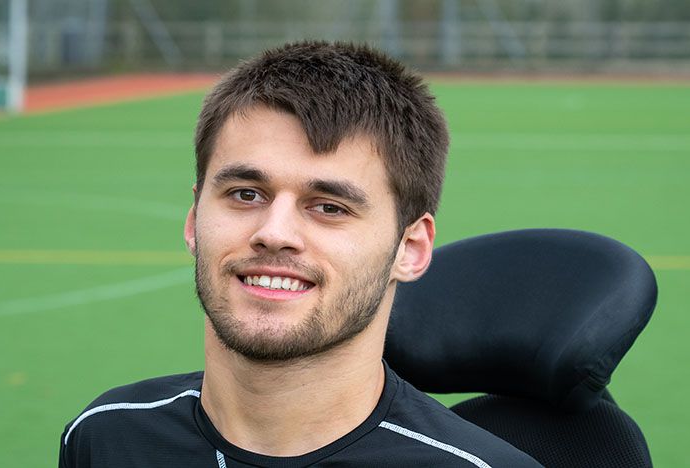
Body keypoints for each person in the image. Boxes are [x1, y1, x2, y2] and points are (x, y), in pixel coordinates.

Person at [59, 41, 541, 467]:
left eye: (329, 207)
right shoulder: (104, 437)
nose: (274, 232)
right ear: (193, 221)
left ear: (409, 249)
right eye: (246, 194)